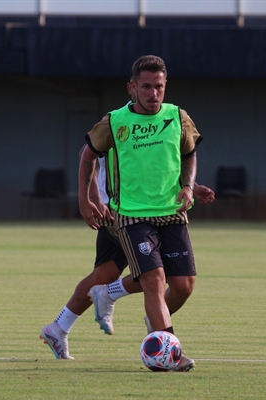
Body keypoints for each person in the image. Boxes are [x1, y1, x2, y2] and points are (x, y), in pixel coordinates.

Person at [79, 55, 203, 371]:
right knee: (153, 279)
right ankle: (169, 354)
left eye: (158, 87)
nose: (153, 94)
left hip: (172, 213)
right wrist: (86, 197)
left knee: (183, 286)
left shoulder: (178, 117)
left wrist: (188, 187)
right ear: (132, 87)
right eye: (146, 87)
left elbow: (189, 156)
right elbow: (87, 157)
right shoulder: (114, 121)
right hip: (131, 216)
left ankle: (155, 327)